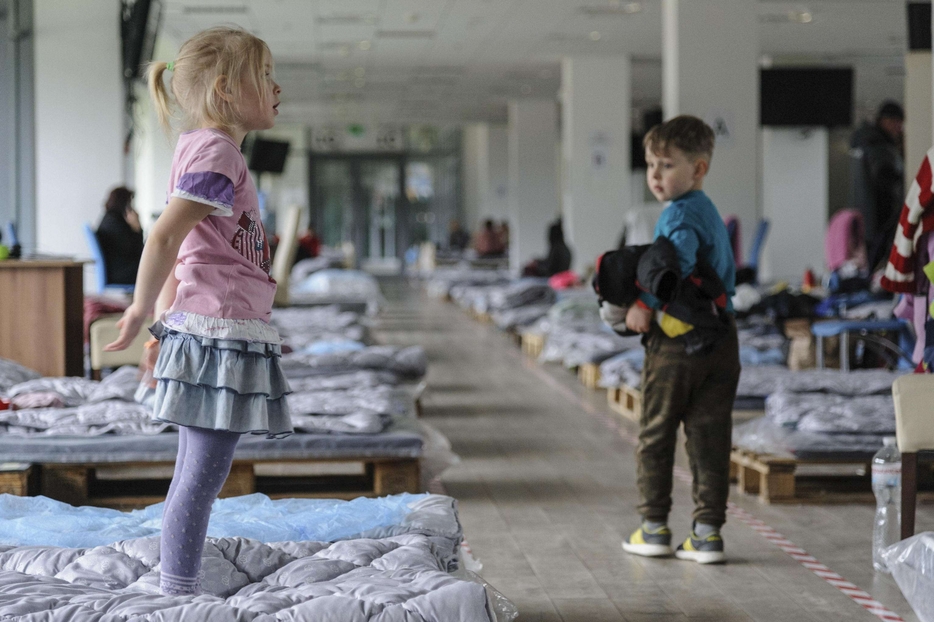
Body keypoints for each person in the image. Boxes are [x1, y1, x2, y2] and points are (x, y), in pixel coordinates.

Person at [104, 27, 290, 596]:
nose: (277, 89)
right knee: (200, 481)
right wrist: (141, 312)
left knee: (194, 475)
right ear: (228, 90)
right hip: (220, 337)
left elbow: (186, 252)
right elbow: (162, 239)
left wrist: (163, 323)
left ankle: (176, 582)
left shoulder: (208, 150)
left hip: (211, 331)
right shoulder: (216, 152)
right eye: (265, 77)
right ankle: (178, 591)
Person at [620, 116, 739, 564]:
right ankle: (707, 533)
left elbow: (675, 265)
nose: (655, 175)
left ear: (699, 168)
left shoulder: (678, 214)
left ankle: (653, 527)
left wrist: (644, 305)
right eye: (651, 164)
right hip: (722, 338)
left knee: (656, 433)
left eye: (667, 165)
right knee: (710, 437)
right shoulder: (707, 209)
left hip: (677, 342)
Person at [850, 101, 905, 271]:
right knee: (877, 261)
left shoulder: (865, 143)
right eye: (897, 123)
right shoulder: (878, 145)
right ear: (886, 121)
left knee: (870, 262)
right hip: (879, 216)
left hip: (867, 216)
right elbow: (884, 175)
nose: (899, 128)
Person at [96, 186, 144, 285]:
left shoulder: (109, 219)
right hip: (122, 273)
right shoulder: (116, 222)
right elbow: (136, 250)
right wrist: (137, 228)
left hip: (118, 271)